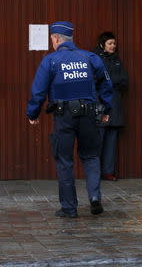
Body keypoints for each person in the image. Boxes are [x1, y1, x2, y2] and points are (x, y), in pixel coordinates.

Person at [26, 21, 113, 218]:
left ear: (56, 38)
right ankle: (94, 197)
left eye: (52, 39)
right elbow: (107, 85)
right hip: (89, 113)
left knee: (64, 160)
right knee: (91, 156)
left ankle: (69, 208)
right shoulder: (90, 57)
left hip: (63, 116)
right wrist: (106, 108)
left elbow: (38, 91)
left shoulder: (51, 61)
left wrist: (33, 113)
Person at [93, 32, 129, 181]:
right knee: (99, 139)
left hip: (115, 104)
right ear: (102, 44)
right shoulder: (95, 59)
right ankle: (95, 172)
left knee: (111, 140)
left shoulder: (116, 59)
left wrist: (110, 81)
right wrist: (113, 81)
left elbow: (125, 80)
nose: (113, 46)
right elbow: (98, 80)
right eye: (110, 43)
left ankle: (108, 171)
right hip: (101, 104)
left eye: (114, 43)